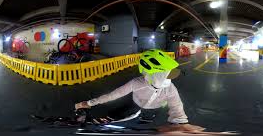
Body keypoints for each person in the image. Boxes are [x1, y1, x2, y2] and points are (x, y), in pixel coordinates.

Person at [75, 49, 204, 132]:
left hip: (152, 112)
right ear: (151, 75)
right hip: (134, 107)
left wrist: (182, 124)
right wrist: (89, 103)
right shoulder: (136, 83)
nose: (169, 78)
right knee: (116, 119)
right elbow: (112, 95)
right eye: (165, 74)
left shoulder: (170, 89)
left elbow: (177, 108)